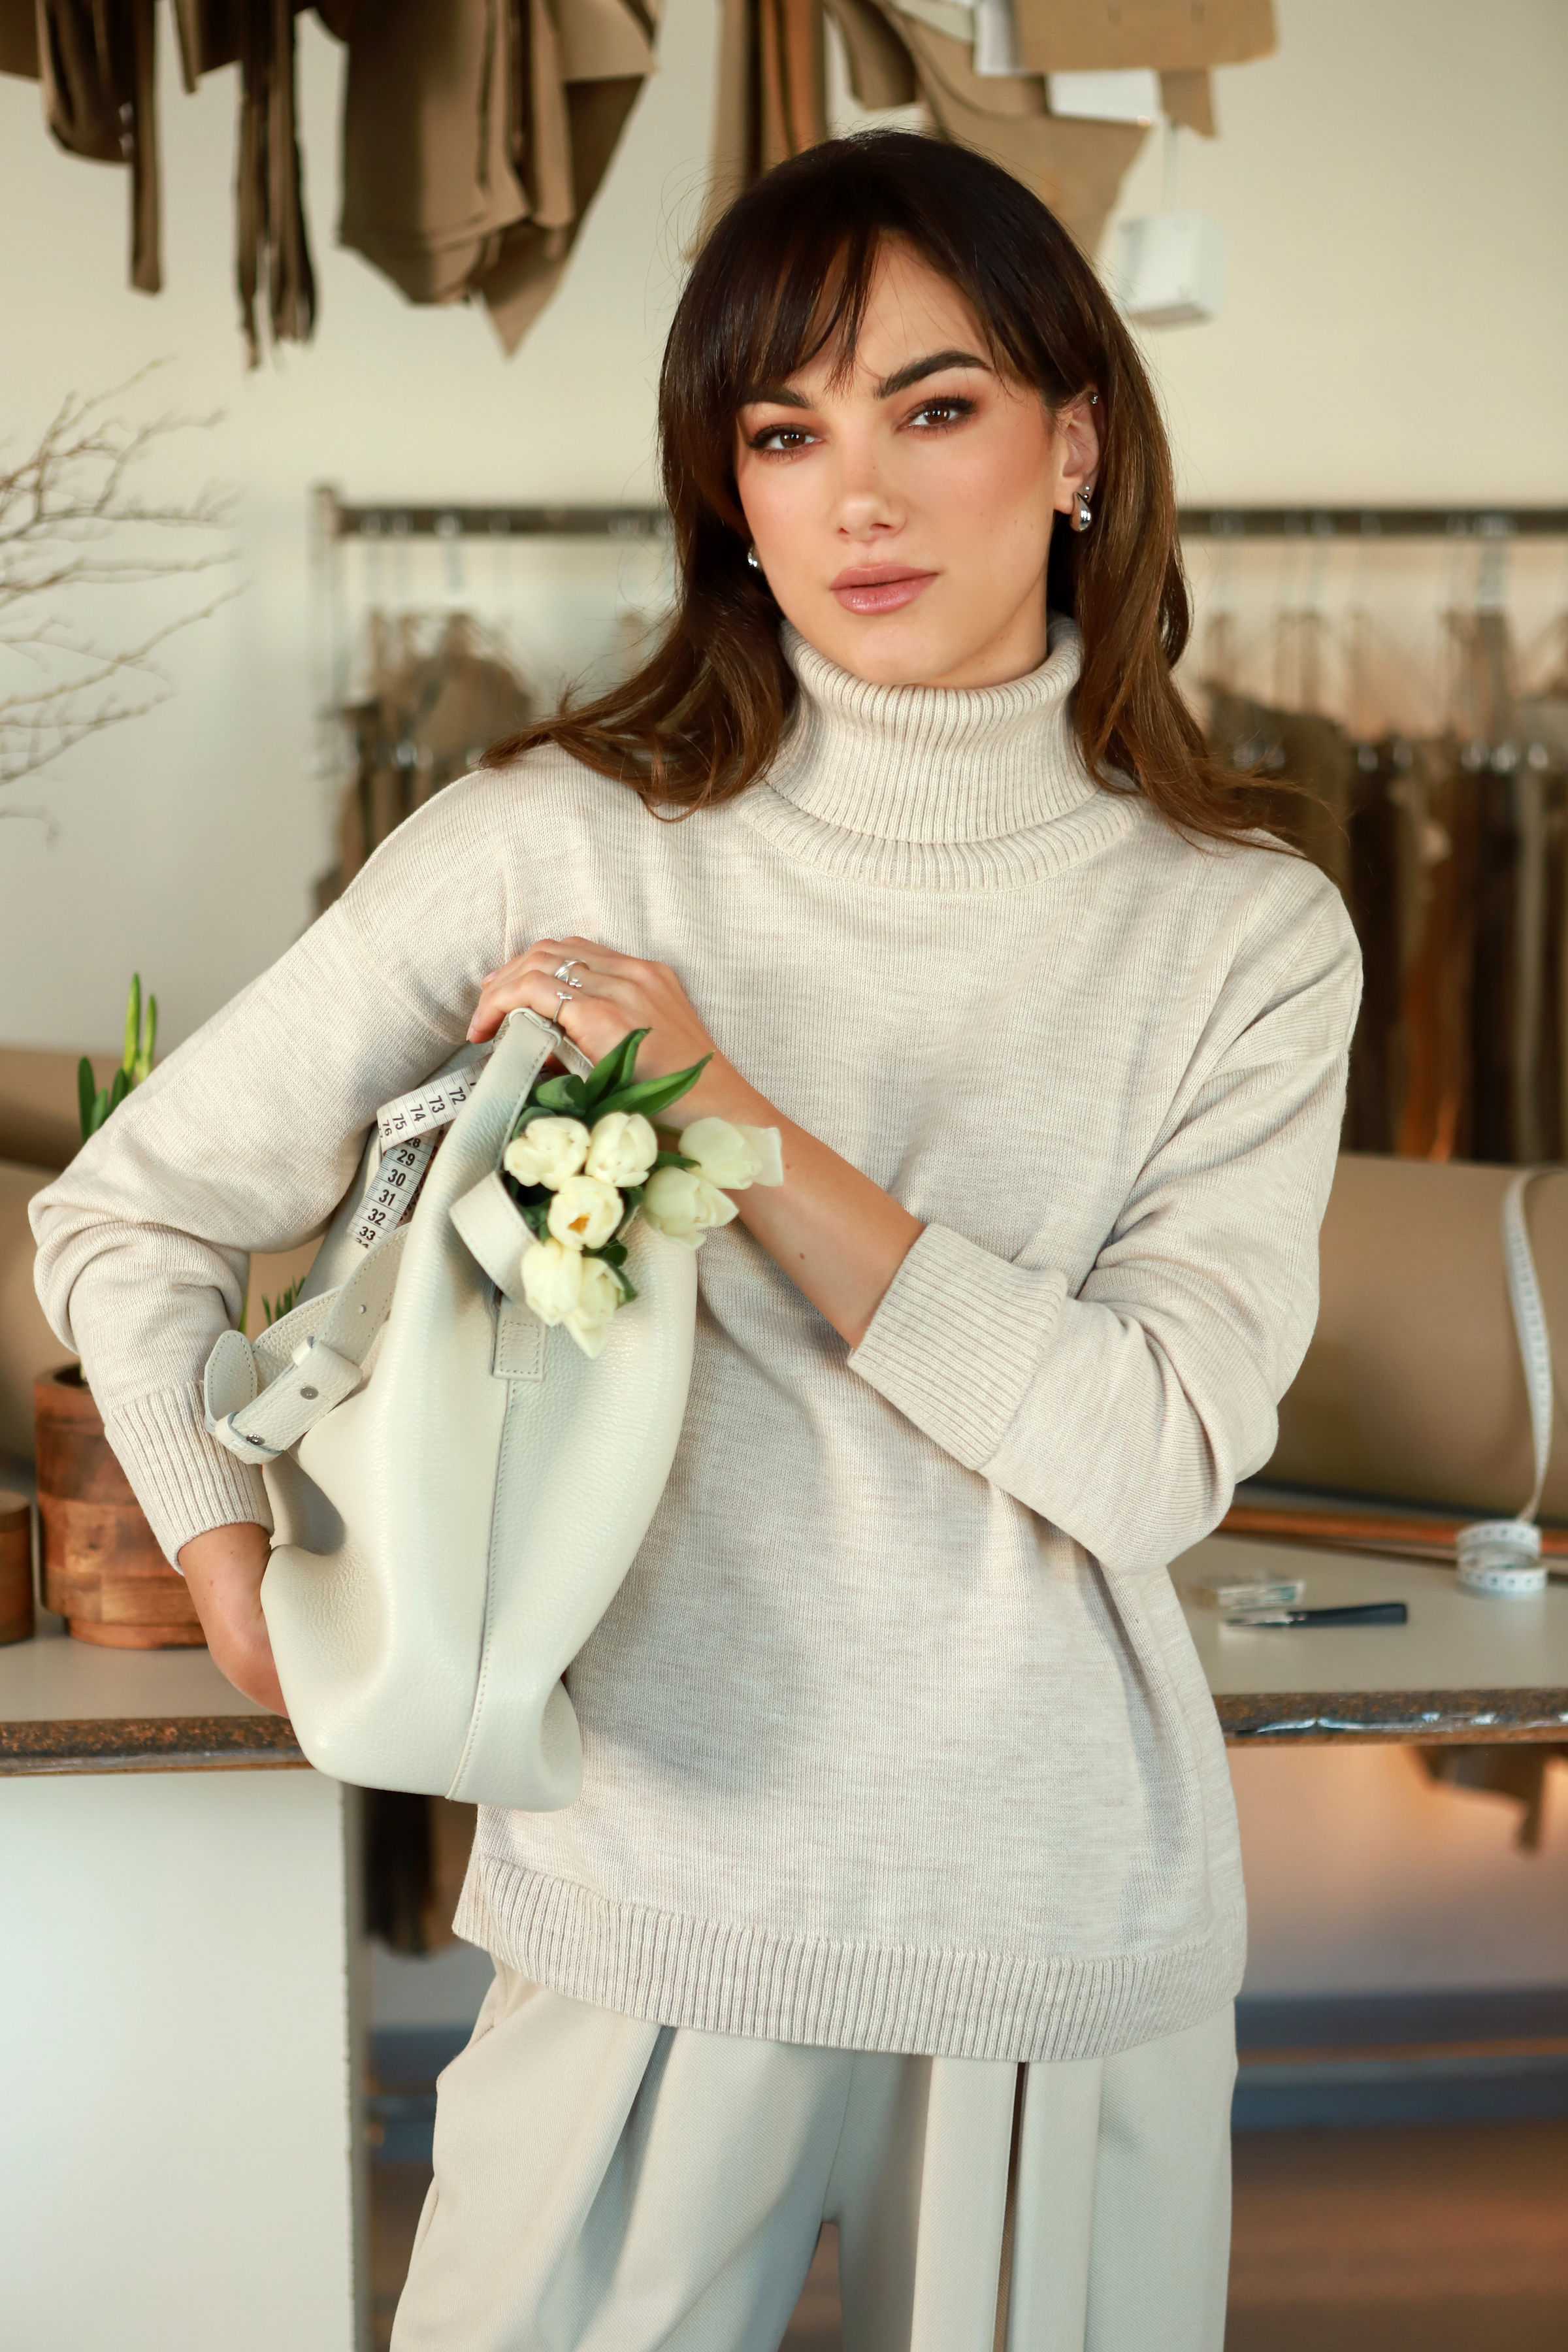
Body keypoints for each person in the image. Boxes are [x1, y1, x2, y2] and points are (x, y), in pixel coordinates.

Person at [33, 131, 1360, 2351]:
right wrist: (228, 1563)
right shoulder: (554, 845)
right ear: (727, 492)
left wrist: (731, 1121)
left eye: (935, 407)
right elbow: (129, 1203)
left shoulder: (1247, 936)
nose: (861, 497)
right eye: (785, 431)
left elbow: (1150, 1461)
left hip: (1056, 1924)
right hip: (644, 1883)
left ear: (1077, 444)